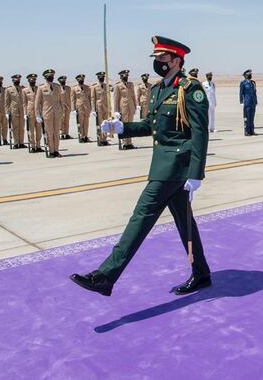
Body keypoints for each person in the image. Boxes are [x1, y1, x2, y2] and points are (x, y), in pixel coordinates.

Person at [70, 35, 211, 296]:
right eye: (156, 58)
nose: (158, 62)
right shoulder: (158, 90)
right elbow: (151, 126)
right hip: (163, 164)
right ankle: (201, 273)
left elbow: (200, 133)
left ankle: (106, 275)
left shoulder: (191, 89)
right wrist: (122, 127)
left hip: (175, 167)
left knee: (140, 218)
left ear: (177, 60)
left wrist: (196, 172)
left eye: (163, 58)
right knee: (184, 221)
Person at [35, 69, 64, 158]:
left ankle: (56, 150)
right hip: (47, 113)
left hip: (57, 112)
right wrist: (37, 115)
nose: (51, 77)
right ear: (45, 77)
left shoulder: (57, 87)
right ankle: (51, 151)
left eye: (52, 76)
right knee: (49, 132)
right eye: (49, 76)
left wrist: (62, 111)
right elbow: (37, 102)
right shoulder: (41, 88)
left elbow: (60, 100)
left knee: (56, 132)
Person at [113, 69, 137, 150]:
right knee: (123, 126)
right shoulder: (118, 86)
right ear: (121, 77)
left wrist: (135, 105)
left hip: (130, 108)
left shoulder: (131, 84)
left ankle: (129, 142)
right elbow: (116, 99)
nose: (126, 77)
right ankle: (124, 143)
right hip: (123, 108)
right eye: (124, 76)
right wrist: (116, 111)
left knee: (130, 125)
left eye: (127, 76)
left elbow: (133, 95)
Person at [4, 74, 26, 149]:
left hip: (22, 110)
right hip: (13, 110)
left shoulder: (23, 89)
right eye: (16, 80)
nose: (17, 81)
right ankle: (16, 142)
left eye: (18, 80)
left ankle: (21, 142)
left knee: (22, 127)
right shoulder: (8, 90)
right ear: (13, 80)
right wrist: (7, 112)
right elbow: (6, 102)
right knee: (15, 127)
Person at [23, 73, 43, 153]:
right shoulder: (24, 90)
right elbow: (24, 103)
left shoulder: (39, 89)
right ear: (28, 80)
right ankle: (32, 146)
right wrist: (25, 113)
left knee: (39, 130)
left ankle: (38, 146)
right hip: (30, 112)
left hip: (38, 112)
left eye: (34, 80)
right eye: (31, 80)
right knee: (31, 131)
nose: (33, 81)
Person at [91, 72, 112, 146]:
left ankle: (104, 139)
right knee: (100, 124)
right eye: (100, 77)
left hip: (106, 107)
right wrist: (93, 109)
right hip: (98, 107)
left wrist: (110, 107)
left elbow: (108, 97)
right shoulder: (95, 87)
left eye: (103, 77)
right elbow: (93, 98)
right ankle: (100, 139)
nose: (102, 78)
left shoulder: (106, 86)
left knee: (105, 123)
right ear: (98, 78)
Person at [71, 74, 92, 143]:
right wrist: (73, 109)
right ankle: (81, 136)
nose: (81, 80)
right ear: (77, 80)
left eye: (82, 79)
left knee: (86, 122)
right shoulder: (74, 89)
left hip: (87, 107)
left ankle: (85, 136)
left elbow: (90, 98)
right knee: (80, 122)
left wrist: (91, 107)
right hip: (79, 107)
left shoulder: (88, 88)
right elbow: (73, 99)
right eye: (80, 79)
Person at [239, 69, 258, 136]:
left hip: (253, 102)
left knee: (252, 117)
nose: (250, 75)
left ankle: (252, 130)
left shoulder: (253, 82)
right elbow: (241, 93)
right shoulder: (243, 83)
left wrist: (256, 101)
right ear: (245, 76)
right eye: (249, 74)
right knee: (247, 117)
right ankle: (246, 131)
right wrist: (241, 101)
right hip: (247, 102)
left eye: (251, 74)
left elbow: (255, 93)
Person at [58, 75, 73, 140]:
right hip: (60, 107)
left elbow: (71, 97)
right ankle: (61, 134)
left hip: (67, 107)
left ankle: (66, 133)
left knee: (67, 120)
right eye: (62, 81)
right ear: (59, 81)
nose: (63, 82)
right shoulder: (57, 88)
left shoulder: (68, 88)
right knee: (61, 121)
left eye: (64, 81)